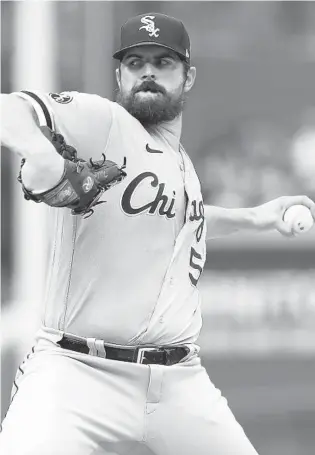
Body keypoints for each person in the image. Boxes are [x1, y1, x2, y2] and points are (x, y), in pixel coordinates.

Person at [1, 12, 314, 455]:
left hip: (179, 382)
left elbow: (186, 220)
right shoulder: (105, 123)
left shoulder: (180, 165)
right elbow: (9, 108)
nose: (147, 71)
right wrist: (41, 154)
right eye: (135, 62)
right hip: (77, 372)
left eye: (163, 62)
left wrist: (255, 218)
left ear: (188, 77)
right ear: (119, 75)